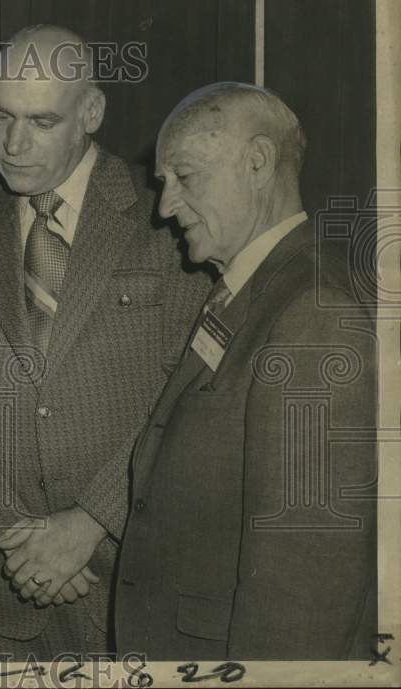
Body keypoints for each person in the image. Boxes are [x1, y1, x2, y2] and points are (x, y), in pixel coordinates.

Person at [0, 25, 209, 661]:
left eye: (42, 121)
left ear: (91, 113)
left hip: (134, 583)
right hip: (8, 591)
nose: (14, 145)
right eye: (1, 116)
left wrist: (91, 524)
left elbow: (188, 401)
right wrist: (12, 540)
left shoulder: (169, 219)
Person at [115, 82, 378, 660]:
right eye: (163, 184)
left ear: (258, 162)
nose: (165, 207)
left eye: (186, 177)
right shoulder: (249, 290)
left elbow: (306, 582)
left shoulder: (312, 314)